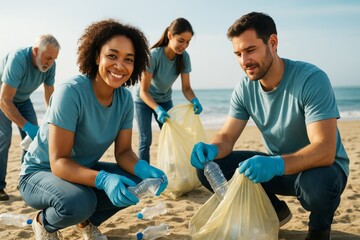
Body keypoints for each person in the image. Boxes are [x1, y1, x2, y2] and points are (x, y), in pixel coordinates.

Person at [190, 12, 349, 240]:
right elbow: (226, 137)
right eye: (238, 54)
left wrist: (275, 164)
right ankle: (276, 211)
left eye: (250, 50)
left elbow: (324, 150)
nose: (244, 61)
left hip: (321, 170)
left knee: (319, 186)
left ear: (272, 43)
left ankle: (319, 229)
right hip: (279, 169)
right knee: (208, 167)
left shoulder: (311, 79)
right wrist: (211, 149)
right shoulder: (244, 88)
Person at [19, 19, 168, 240]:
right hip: (40, 174)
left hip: (79, 171)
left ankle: (85, 223)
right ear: (97, 56)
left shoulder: (125, 99)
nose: (120, 66)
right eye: (112, 56)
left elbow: (124, 153)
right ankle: (44, 222)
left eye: (129, 59)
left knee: (137, 182)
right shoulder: (70, 93)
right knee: (81, 202)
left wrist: (144, 169)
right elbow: (59, 162)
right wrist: (103, 180)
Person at [133, 17, 203, 163]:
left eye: (188, 42)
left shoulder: (184, 58)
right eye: (181, 40)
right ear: (170, 36)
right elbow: (143, 91)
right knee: (146, 139)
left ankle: (173, 169)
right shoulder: (154, 56)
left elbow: (187, 88)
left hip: (165, 100)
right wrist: (157, 109)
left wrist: (195, 100)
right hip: (144, 101)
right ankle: (143, 175)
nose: (184, 45)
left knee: (173, 137)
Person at [0, 34, 60, 201]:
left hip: (23, 100)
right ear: (35, 51)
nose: (50, 62)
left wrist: (54, 119)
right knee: (3, 138)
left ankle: (26, 181)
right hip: (3, 99)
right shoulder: (17, 60)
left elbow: (50, 96)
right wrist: (27, 127)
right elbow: (5, 100)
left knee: (35, 141)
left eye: (54, 58)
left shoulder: (50, 66)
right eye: (47, 57)